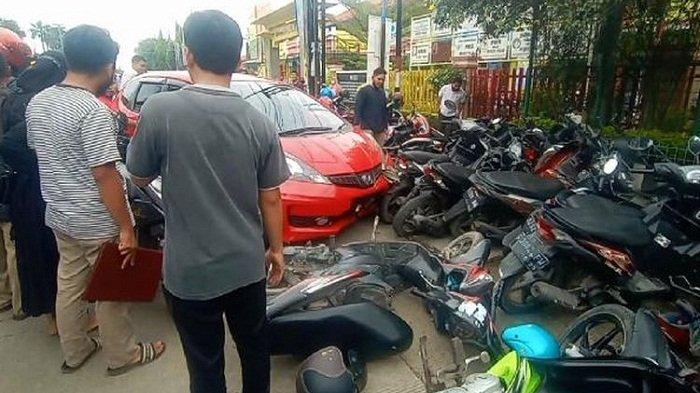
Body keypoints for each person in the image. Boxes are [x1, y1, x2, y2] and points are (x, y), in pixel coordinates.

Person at [127, 11, 289, 393]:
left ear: (189, 54)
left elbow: (138, 176)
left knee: (205, 367)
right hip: (247, 267)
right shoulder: (259, 121)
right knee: (254, 351)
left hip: (190, 272)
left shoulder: (160, 111)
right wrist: (277, 250)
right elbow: (272, 197)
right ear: (239, 58)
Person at [25, 25, 165, 375]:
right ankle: (124, 355)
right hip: (95, 219)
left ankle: (75, 351)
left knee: (69, 283)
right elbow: (105, 174)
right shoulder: (91, 111)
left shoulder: (38, 102)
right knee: (111, 291)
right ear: (107, 64)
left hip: (58, 213)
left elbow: (40, 152)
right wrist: (126, 229)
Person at [0, 52, 66, 331]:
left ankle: (45, 313)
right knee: (50, 253)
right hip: (36, 189)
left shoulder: (15, 96)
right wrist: (40, 164)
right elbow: (9, 143)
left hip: (19, 189)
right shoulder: (36, 103)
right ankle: (57, 318)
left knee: (32, 252)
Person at [0, 52, 22, 321]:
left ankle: (4, 296)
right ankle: (19, 303)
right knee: (12, 243)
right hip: (6, 180)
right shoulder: (11, 100)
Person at [355, 67, 389, 146]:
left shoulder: (382, 93)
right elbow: (358, 109)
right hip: (367, 128)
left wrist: (385, 127)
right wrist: (357, 124)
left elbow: (384, 110)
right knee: (369, 151)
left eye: (382, 80)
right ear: (373, 77)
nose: (380, 81)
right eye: (379, 79)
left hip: (380, 130)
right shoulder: (364, 91)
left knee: (380, 152)